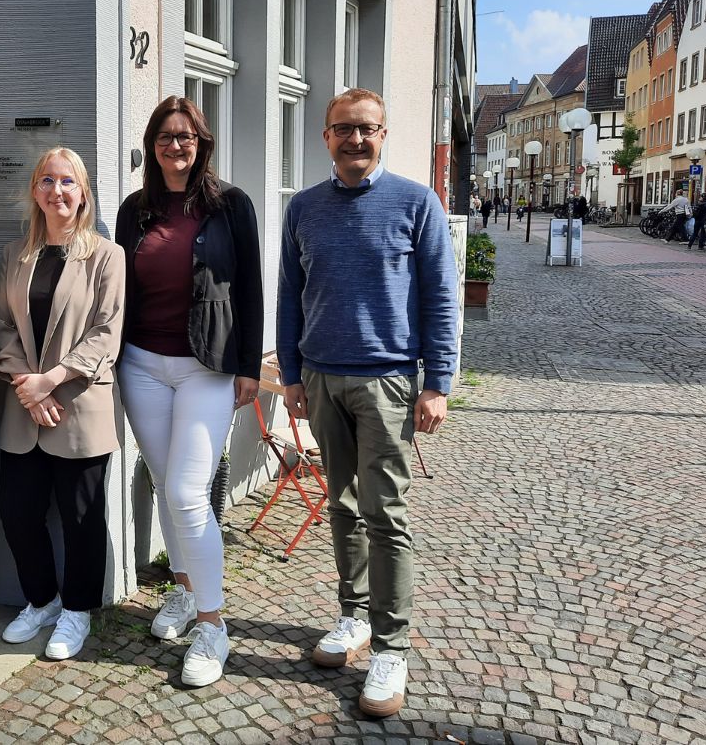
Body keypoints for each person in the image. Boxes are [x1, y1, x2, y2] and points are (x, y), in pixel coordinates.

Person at [277, 88, 458, 719]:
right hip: (323, 378)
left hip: (387, 382)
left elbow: (441, 297)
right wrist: (293, 374)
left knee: (388, 514)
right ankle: (352, 617)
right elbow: (289, 296)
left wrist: (438, 383)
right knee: (341, 504)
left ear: (383, 134)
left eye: (368, 130)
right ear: (325, 136)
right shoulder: (303, 208)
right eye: (344, 130)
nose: (356, 140)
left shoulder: (417, 203)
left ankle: (391, 645)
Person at [115, 95, 262, 688]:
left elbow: (251, 283)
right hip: (142, 364)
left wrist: (250, 364)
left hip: (208, 365)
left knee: (184, 490)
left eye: (186, 137)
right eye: (165, 137)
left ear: (202, 143)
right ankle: (180, 589)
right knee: (164, 479)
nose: (176, 146)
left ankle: (212, 624)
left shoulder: (232, 205)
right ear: (152, 146)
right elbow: (117, 286)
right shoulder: (136, 210)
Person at [0, 148, 126, 660]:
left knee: (81, 517)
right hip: (25, 406)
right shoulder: (14, 255)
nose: (57, 190)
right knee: (16, 512)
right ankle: (43, 599)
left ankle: (76, 612)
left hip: (78, 403)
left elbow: (107, 332)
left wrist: (52, 379)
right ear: (35, 191)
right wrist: (28, 386)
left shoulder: (105, 257)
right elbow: (1, 326)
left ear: (83, 192)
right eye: (46, 180)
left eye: (67, 181)